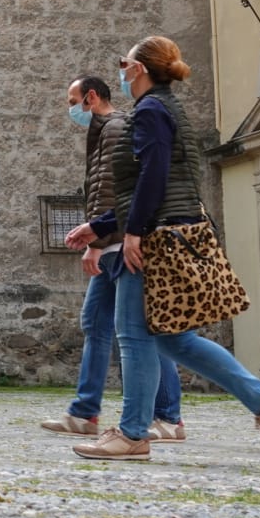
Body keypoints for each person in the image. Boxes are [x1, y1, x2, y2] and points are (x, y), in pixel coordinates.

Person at [64, 36, 260, 463]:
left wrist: (131, 234)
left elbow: (153, 176)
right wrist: (98, 226)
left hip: (155, 239)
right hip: (167, 230)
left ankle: (134, 433)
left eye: (124, 61)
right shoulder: (164, 108)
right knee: (171, 340)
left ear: (139, 69)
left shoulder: (151, 110)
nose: (121, 67)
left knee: (134, 335)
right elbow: (156, 184)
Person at [40, 75, 185, 441]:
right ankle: (85, 412)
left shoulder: (116, 128)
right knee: (96, 322)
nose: (70, 109)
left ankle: (167, 416)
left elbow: (117, 192)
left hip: (121, 245)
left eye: (72, 100)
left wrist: (97, 242)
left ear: (91, 97)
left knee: (142, 329)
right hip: (113, 242)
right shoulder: (103, 130)